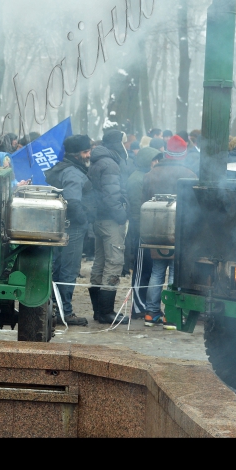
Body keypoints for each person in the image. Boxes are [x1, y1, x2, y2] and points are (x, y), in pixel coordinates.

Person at [142, 135, 197, 325]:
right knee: (175, 274)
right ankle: (171, 314)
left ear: (166, 152)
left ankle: (151, 313)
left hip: (155, 231)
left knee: (157, 272)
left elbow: (143, 202)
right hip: (179, 232)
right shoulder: (189, 175)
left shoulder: (150, 174)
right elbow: (195, 207)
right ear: (183, 154)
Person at [44, 135, 95, 327]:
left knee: (57, 269)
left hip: (58, 226)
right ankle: (65, 311)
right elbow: (73, 203)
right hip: (71, 228)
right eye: (85, 151)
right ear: (76, 154)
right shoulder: (73, 173)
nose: (89, 154)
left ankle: (54, 309)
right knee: (68, 270)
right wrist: (84, 220)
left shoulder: (61, 168)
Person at [88, 129, 130, 325]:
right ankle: (106, 312)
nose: (127, 145)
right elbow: (111, 195)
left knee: (100, 262)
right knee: (113, 262)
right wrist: (121, 215)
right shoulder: (111, 164)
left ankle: (98, 310)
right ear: (117, 143)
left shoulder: (98, 160)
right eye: (125, 141)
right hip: (111, 219)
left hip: (99, 218)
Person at [126, 146, 161, 320]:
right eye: (154, 160)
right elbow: (136, 209)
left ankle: (144, 305)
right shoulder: (137, 179)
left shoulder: (145, 177)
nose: (156, 163)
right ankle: (138, 307)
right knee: (141, 270)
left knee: (147, 268)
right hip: (140, 229)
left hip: (147, 228)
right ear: (147, 160)